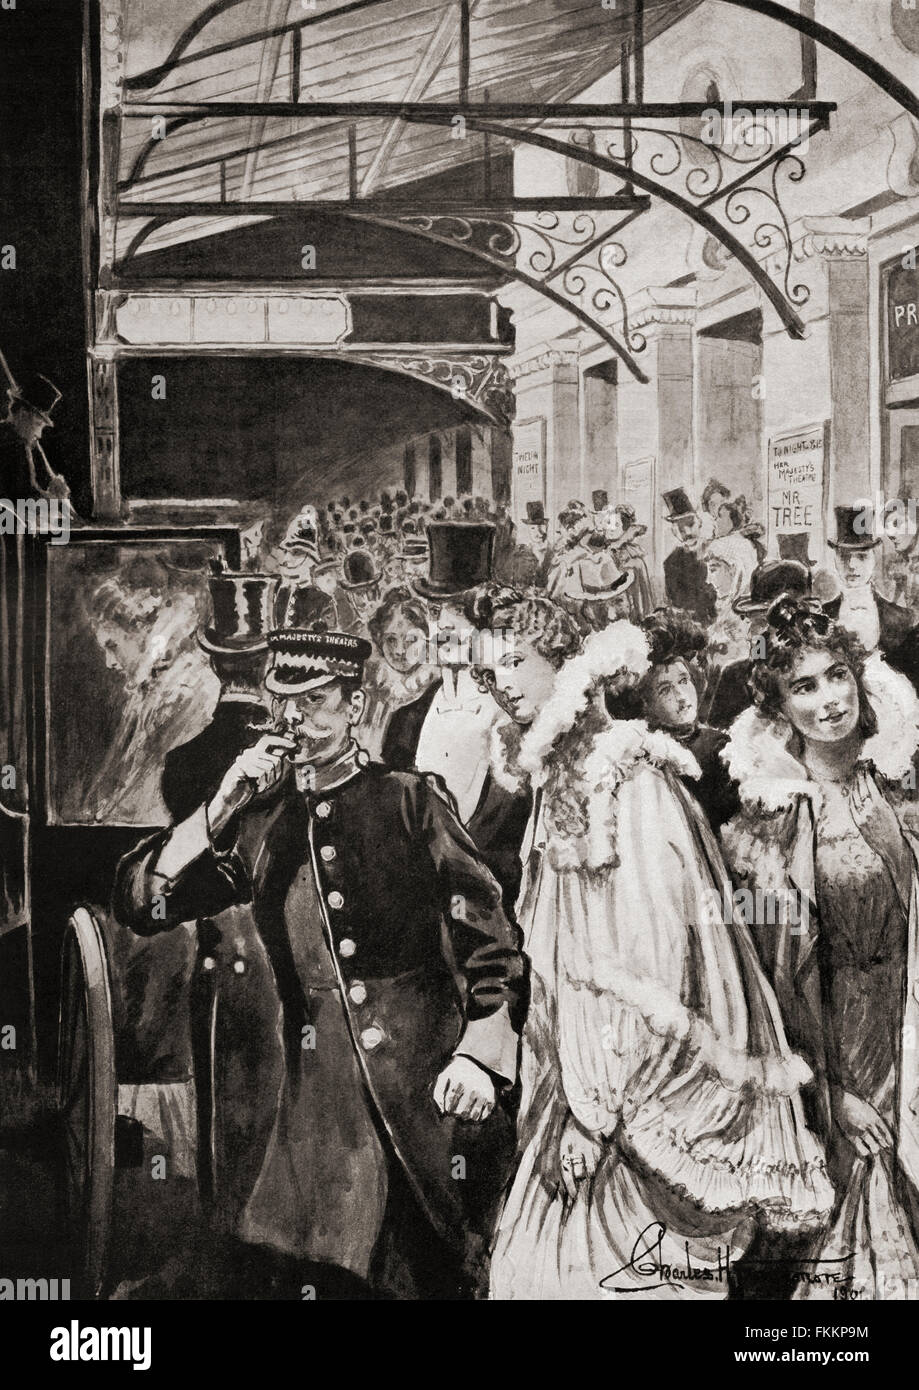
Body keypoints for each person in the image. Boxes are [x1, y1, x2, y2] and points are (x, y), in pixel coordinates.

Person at [113, 624, 528, 1300]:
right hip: (307, 1100)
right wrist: (220, 805)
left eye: (314, 701)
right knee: (312, 1267)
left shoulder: (410, 799)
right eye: (284, 704)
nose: (295, 719)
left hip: (418, 1080)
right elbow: (145, 902)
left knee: (428, 1269)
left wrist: (481, 1051)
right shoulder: (257, 820)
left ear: (354, 706)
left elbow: (487, 933)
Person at [486, 619, 832, 1299]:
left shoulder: (624, 778)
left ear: (566, 665)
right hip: (579, 1085)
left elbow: (649, 964)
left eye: (512, 660)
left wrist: (595, 1113)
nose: (498, 682)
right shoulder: (564, 773)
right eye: (486, 669)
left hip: (635, 1099)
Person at [720, 596, 919, 1299]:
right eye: (802, 686)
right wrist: (832, 1094)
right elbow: (767, 989)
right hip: (833, 1060)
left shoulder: (896, 789)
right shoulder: (764, 828)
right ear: (778, 709)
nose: (829, 699)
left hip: (909, 1041)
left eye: (836, 675)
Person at [637, 608, 739, 832]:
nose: (681, 697)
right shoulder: (646, 755)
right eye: (665, 690)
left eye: (684, 681)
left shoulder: (719, 746)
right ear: (647, 705)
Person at [704, 558, 814, 729]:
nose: (751, 634)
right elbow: (716, 737)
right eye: (751, 621)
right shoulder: (735, 676)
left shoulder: (818, 675)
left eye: (762, 622)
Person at [825, 505, 915, 680]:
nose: (852, 565)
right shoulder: (822, 614)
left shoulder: (902, 620)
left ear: (874, 557)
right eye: (844, 556)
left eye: (861, 556)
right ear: (835, 558)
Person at [0, 369, 70, 502]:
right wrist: (55, 501)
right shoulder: (10, 444)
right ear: (22, 414)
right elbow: (23, 496)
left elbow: (44, 481)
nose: (39, 434)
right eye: (38, 424)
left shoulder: (26, 443)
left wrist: (54, 484)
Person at [662, 488, 717, 625]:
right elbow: (677, 602)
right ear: (674, 532)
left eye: (690, 524)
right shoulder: (671, 562)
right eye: (680, 529)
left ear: (699, 522)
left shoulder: (716, 551)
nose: (687, 532)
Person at [705, 532, 758, 668]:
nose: (708, 580)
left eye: (713, 570)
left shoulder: (755, 615)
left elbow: (759, 661)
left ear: (734, 569)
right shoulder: (724, 611)